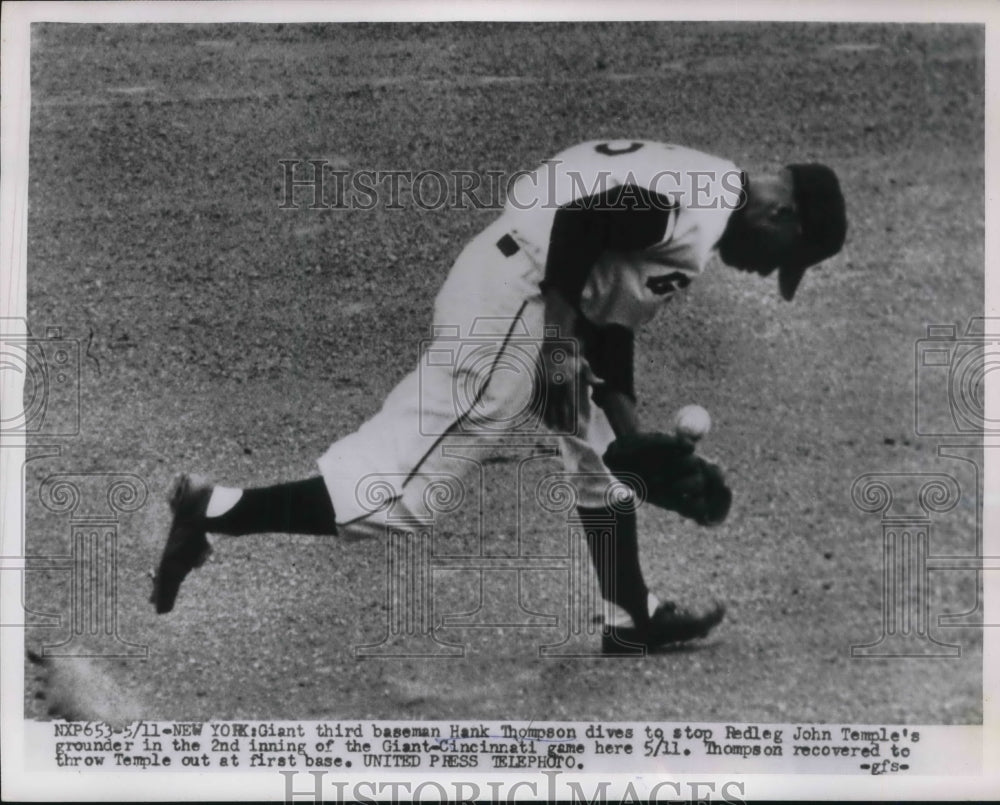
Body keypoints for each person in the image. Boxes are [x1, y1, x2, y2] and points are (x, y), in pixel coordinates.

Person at [151, 139, 846, 654]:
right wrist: (558, 344)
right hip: (513, 304)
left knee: (603, 461)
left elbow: (609, 311)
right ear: (782, 209)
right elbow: (584, 222)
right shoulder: (696, 208)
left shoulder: (707, 183)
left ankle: (632, 613)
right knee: (395, 493)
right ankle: (210, 509)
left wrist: (633, 435)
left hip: (530, 287)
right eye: (781, 257)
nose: (764, 272)